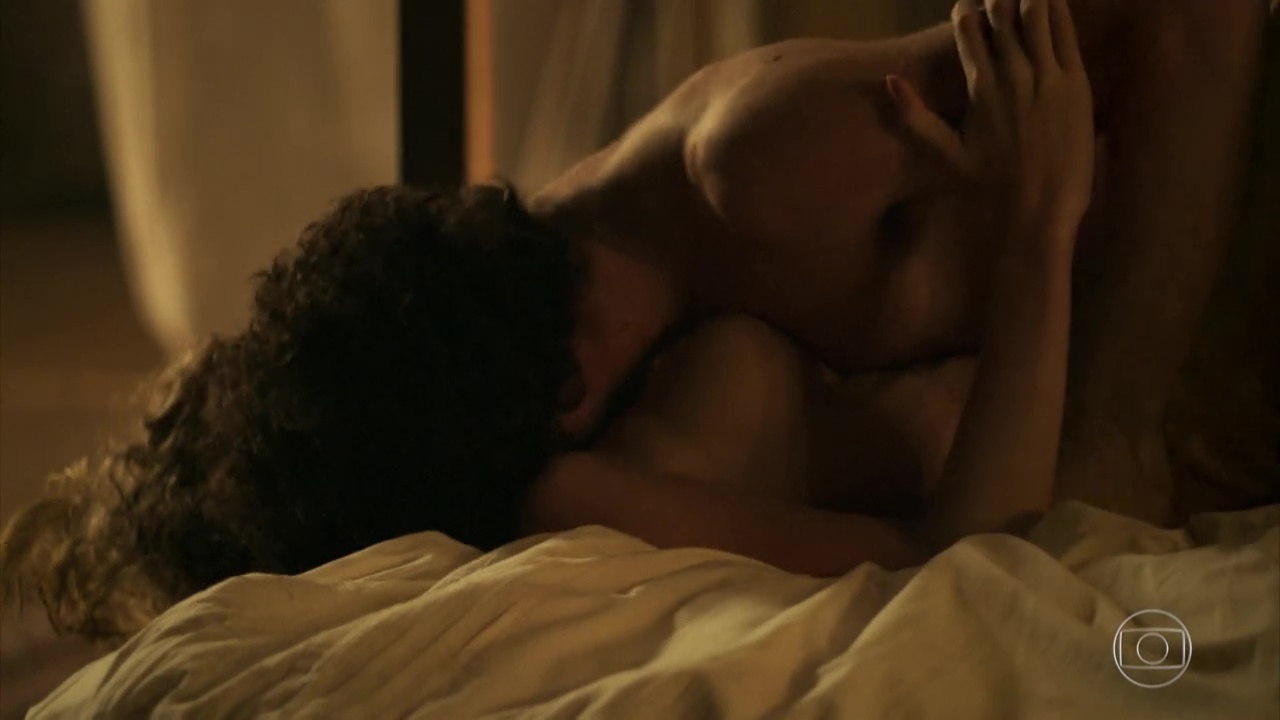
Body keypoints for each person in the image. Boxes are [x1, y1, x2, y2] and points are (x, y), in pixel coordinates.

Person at [1, 0, 1269, 643]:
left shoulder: (761, 166)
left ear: (563, 392)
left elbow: (1184, 23)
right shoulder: (596, 355)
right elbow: (942, 546)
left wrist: (1055, 253)